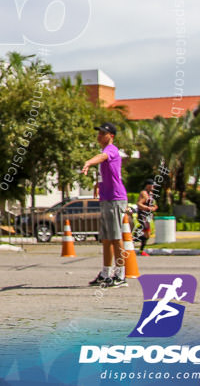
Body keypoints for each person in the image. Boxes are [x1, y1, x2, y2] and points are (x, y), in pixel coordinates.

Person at [81, 122, 128, 288]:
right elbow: (106, 172)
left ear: (111, 136)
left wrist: (88, 162)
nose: (99, 135)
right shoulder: (104, 151)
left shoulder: (111, 150)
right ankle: (106, 273)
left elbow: (102, 158)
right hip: (106, 198)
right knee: (107, 239)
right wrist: (97, 185)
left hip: (115, 199)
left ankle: (121, 274)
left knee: (116, 238)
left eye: (103, 133)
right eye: (99, 133)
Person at [135, 178, 158, 256]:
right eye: (152, 185)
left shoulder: (151, 194)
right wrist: (147, 208)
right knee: (146, 233)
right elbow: (139, 203)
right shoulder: (144, 193)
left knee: (148, 234)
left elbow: (154, 204)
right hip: (142, 215)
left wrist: (154, 207)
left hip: (147, 216)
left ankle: (140, 249)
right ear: (147, 185)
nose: (153, 187)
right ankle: (131, 240)